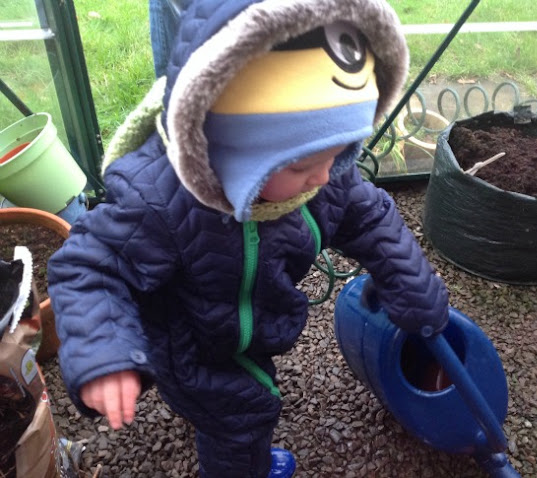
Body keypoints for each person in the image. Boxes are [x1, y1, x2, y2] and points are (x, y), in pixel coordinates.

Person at [48, 0, 450, 477]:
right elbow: (89, 266)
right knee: (242, 419)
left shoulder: (323, 178)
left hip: (249, 325)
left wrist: (415, 290)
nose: (324, 175)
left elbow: (373, 221)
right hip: (193, 345)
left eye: (342, 152)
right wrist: (103, 351)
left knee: (242, 406)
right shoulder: (158, 201)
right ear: (232, 152)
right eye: (300, 165)